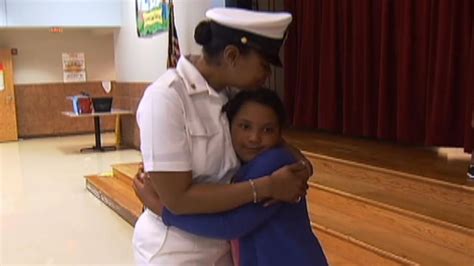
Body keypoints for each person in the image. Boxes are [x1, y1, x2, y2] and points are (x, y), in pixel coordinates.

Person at [133, 7, 312, 265]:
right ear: (231, 55)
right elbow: (177, 200)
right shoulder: (167, 97)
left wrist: (304, 166)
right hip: (175, 249)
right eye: (263, 65)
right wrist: (266, 187)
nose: (267, 75)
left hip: (222, 246)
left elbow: (278, 145)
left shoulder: (229, 96)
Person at [140, 88, 328, 266]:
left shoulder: (274, 164)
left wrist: (162, 209)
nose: (254, 138)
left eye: (267, 130)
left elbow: (229, 225)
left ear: (280, 135)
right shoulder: (242, 164)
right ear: (228, 125)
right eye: (245, 126)